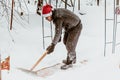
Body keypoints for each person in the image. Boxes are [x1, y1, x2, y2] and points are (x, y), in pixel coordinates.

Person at [42, 4, 82, 70]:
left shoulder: (58, 17)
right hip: (69, 27)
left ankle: (70, 62)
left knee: (70, 44)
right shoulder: (55, 15)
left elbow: (58, 31)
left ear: (50, 13)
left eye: (47, 17)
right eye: (45, 17)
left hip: (76, 27)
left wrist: (53, 45)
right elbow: (58, 29)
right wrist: (58, 37)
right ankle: (72, 58)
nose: (46, 19)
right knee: (65, 41)